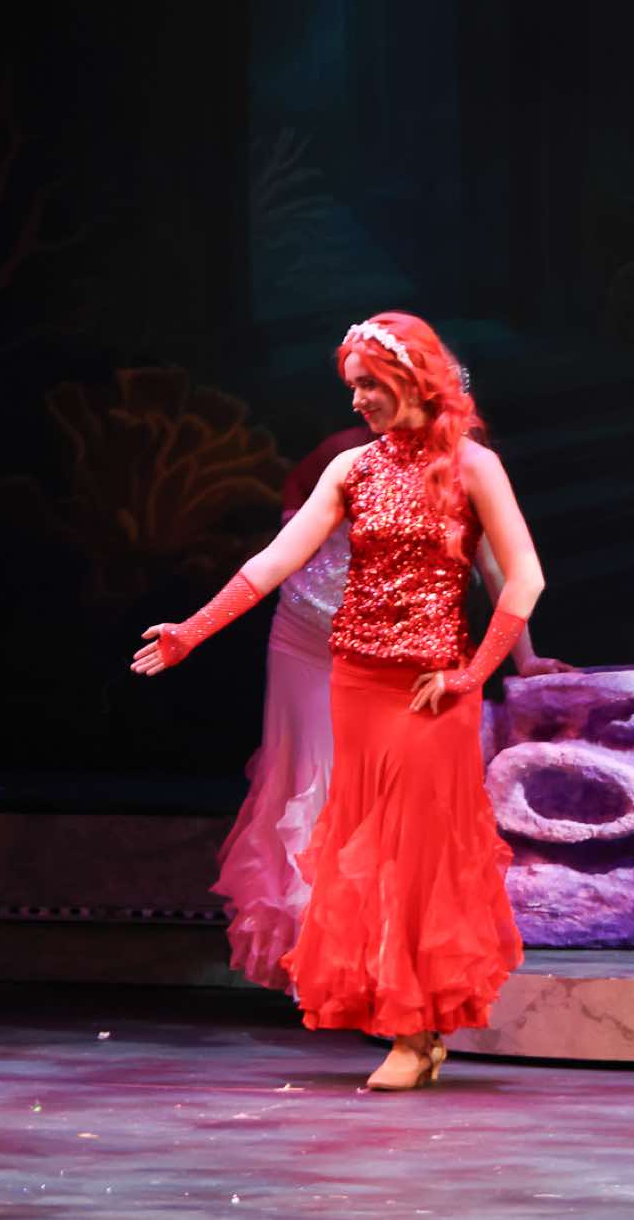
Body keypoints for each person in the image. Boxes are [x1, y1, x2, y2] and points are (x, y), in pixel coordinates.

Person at [134, 312, 541, 1092]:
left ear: (411, 379)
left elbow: (523, 576)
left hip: (430, 690)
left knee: (421, 856)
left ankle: (416, 1029)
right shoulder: (353, 467)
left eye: (367, 385)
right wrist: (193, 629)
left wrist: (472, 674)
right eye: (351, 387)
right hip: (356, 684)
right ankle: (409, 1026)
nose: (356, 401)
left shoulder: (474, 465)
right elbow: (275, 560)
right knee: (368, 854)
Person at [210, 427, 569, 993]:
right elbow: (284, 532)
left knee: (390, 799)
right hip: (306, 634)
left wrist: (523, 657)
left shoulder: (471, 462)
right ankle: (313, 957)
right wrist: (307, 540)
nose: (365, 400)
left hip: (393, 652)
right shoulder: (350, 452)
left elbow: (500, 568)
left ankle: (380, 958)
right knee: (311, 780)